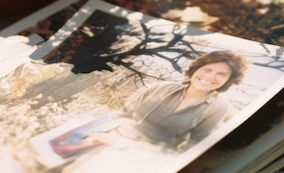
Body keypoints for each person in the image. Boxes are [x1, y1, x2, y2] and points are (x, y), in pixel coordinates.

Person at [60, 50, 249, 172]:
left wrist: (125, 145)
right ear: (197, 68)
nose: (210, 77)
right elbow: (122, 113)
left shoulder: (219, 107)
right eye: (208, 69)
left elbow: (193, 145)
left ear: (229, 81)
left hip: (143, 157)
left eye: (221, 74)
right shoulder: (162, 87)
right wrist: (82, 130)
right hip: (104, 140)